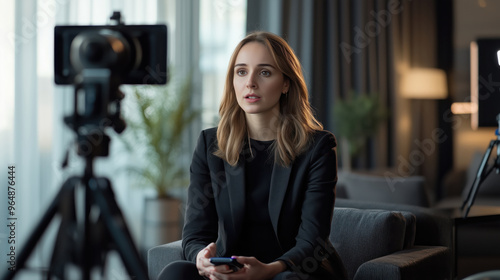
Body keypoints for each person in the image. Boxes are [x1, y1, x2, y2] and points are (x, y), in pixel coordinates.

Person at [157, 31, 347, 280]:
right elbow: (195, 233)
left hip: (293, 269)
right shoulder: (210, 144)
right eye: (241, 71)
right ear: (233, 81)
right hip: (232, 269)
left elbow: (312, 241)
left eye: (265, 72)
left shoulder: (317, 147)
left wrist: (269, 270)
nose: (251, 83)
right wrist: (201, 259)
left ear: (286, 83)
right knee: (175, 272)